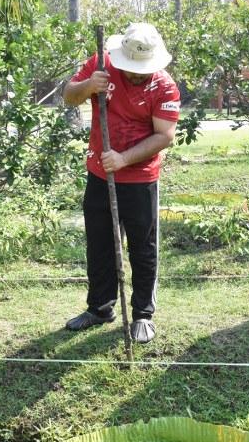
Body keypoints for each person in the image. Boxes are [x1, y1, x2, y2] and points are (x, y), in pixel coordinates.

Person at [62, 23, 180, 344]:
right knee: (99, 243)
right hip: (100, 173)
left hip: (140, 180)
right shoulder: (101, 64)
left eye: (144, 70)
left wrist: (124, 159)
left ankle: (143, 314)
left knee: (143, 247)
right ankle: (100, 307)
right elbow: (68, 96)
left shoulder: (165, 88)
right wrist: (88, 85)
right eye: (132, 69)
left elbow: (164, 136)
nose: (137, 75)